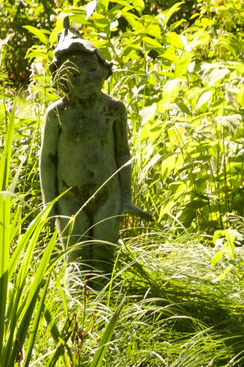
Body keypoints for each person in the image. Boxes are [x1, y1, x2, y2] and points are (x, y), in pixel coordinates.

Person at [39, 20, 150, 286]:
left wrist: (126, 198)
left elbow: (123, 155)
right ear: (60, 80)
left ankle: (104, 315)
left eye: (91, 69)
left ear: (103, 69)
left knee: (103, 259)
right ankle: (76, 317)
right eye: (75, 74)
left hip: (107, 196)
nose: (86, 79)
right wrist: (49, 205)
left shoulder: (114, 109)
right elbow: (47, 161)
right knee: (75, 261)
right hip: (69, 198)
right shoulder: (57, 114)